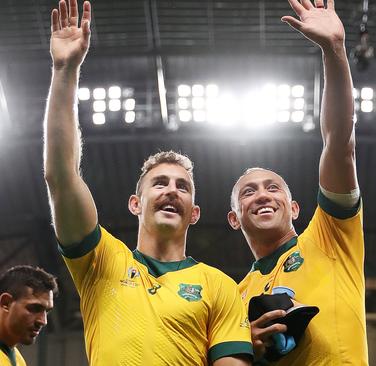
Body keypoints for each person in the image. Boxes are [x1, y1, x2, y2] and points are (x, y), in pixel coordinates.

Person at [43, 1, 252, 364]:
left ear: (194, 213)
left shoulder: (219, 287)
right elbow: (60, 176)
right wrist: (65, 70)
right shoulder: (101, 262)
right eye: (159, 183)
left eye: (182, 186)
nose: (172, 189)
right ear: (135, 204)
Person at [227, 0, 367, 364]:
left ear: (294, 208)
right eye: (248, 191)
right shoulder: (233, 296)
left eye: (273, 188)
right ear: (234, 218)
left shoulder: (330, 237)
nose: (261, 195)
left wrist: (334, 51)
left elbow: (340, 143)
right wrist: (249, 346)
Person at [0, 266, 57, 366]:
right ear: (6, 303)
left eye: (46, 312)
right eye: (35, 309)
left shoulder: (18, 360)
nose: (43, 321)